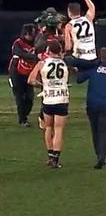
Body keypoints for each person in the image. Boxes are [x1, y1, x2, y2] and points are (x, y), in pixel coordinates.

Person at [28, 40, 70, 168]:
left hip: (48, 99)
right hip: (62, 98)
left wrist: (43, 86)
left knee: (48, 128)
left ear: (48, 51)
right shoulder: (65, 63)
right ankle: (56, 159)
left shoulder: (42, 64)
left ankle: (50, 156)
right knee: (59, 130)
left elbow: (31, 80)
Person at [76, 48, 106, 169]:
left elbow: (79, 79)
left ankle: (99, 155)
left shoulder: (94, 68)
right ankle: (102, 156)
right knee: (103, 131)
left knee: (95, 131)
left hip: (92, 104)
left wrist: (79, 68)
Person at [8, 24, 39, 127]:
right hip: (16, 73)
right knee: (20, 97)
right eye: (30, 34)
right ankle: (22, 120)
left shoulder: (36, 43)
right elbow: (18, 53)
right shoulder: (18, 43)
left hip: (29, 74)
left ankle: (24, 115)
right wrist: (34, 56)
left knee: (30, 98)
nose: (31, 37)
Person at [65, 0, 97, 67]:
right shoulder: (88, 18)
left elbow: (68, 47)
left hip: (79, 59)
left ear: (69, 12)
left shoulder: (69, 25)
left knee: (65, 58)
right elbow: (92, 7)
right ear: (79, 11)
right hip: (93, 58)